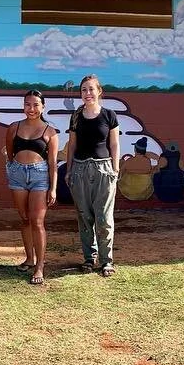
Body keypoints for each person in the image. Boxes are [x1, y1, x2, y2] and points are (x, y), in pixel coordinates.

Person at [64, 74, 120, 277]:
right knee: (84, 216)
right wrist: (69, 170)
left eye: (91, 89)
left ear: (99, 91)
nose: (87, 93)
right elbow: (72, 145)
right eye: (83, 90)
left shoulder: (109, 115)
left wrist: (115, 169)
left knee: (104, 218)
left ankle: (106, 261)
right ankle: (89, 258)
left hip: (104, 170)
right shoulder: (76, 116)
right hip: (79, 170)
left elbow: (114, 144)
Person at [3, 90, 58, 285]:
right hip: (17, 174)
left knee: (37, 221)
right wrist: (14, 167)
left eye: (35, 105)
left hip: (39, 176)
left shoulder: (50, 132)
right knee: (25, 219)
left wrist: (53, 188)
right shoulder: (13, 127)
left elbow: (53, 164)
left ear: (43, 107)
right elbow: (10, 152)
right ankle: (29, 258)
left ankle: (40, 266)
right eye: (28, 104)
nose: (31, 109)